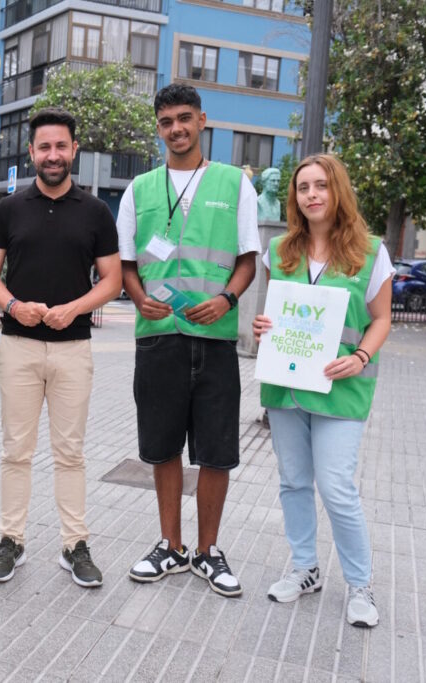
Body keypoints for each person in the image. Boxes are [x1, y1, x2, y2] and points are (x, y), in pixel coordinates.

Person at [116, 83, 260, 596]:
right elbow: (127, 264)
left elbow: (248, 258)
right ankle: (171, 546)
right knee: (162, 447)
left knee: (216, 451)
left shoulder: (235, 184)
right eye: (166, 121)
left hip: (214, 338)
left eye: (184, 118)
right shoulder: (139, 189)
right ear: (158, 128)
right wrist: (139, 299)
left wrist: (226, 300)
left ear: (202, 120)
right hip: (158, 338)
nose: (175, 128)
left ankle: (208, 551)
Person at [0, 107, 121, 587]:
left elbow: (113, 280)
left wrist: (74, 309)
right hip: (18, 345)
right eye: (44, 147)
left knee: (70, 452)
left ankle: (74, 544)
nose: (53, 155)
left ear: (74, 149)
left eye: (61, 146)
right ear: (32, 152)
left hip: (72, 349)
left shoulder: (96, 212)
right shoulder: (9, 209)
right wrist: (13, 305)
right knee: (16, 450)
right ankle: (11, 541)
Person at [252, 153, 393, 627]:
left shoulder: (370, 252)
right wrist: (262, 327)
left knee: (335, 487)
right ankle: (304, 568)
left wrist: (361, 356)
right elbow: (276, 314)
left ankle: (360, 584)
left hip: (340, 390)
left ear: (338, 191)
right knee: (293, 481)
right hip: (287, 388)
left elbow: (382, 318)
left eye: (321, 185)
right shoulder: (279, 251)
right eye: (303, 187)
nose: (311, 195)